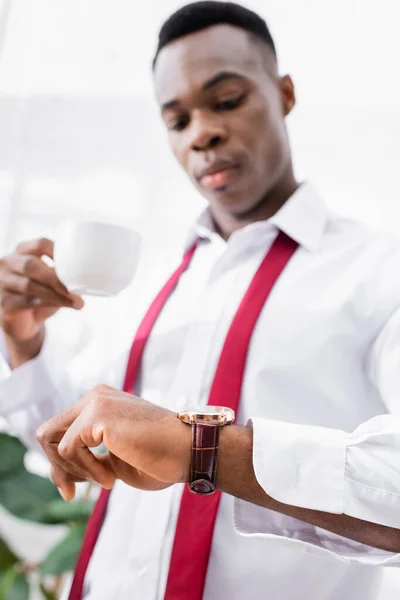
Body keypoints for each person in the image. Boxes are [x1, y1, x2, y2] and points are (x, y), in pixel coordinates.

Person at [1, 2, 400, 599]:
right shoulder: (152, 278)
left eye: (227, 100)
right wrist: (23, 339)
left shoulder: (381, 270)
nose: (202, 133)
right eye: (177, 119)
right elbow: (75, 435)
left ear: (284, 93)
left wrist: (204, 450)